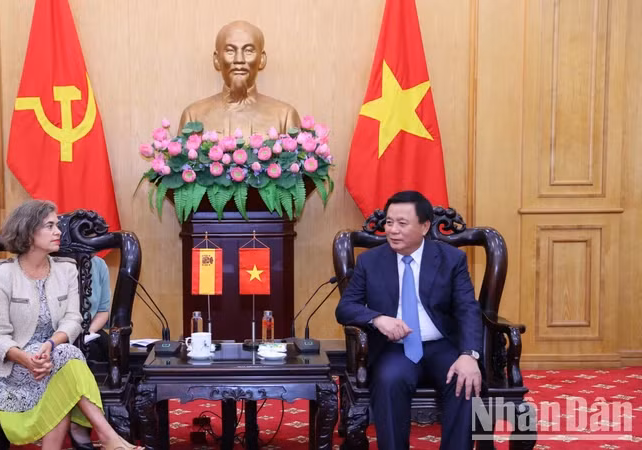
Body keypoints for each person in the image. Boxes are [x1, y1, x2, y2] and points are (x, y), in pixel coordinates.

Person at [0, 200, 138, 450]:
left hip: (53, 353)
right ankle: (109, 438)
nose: (58, 232)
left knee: (63, 357)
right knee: (66, 361)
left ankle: (107, 439)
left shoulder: (66, 270)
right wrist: (27, 359)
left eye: (57, 226)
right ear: (28, 231)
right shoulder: (2, 275)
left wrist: (51, 343)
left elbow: (73, 319)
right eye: (50, 226)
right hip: (13, 364)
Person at [335, 190, 483, 450]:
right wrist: (378, 318)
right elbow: (346, 308)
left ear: (424, 226)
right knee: (389, 381)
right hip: (395, 349)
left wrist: (470, 354)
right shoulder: (370, 261)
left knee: (464, 381)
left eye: (402, 223)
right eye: (389, 222)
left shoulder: (451, 259)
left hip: (442, 345)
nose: (393, 230)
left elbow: (467, 309)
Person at [178, 20, 301, 136]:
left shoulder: (285, 116)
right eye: (230, 51)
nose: (239, 60)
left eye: (248, 51)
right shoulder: (194, 116)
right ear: (216, 59)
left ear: (262, 59)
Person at [69, 254, 112, 450]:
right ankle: (78, 425)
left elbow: (103, 310)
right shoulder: (53, 261)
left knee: (98, 348)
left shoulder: (99, 264)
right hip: (58, 334)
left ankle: (82, 424)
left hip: (90, 331)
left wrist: (88, 332)